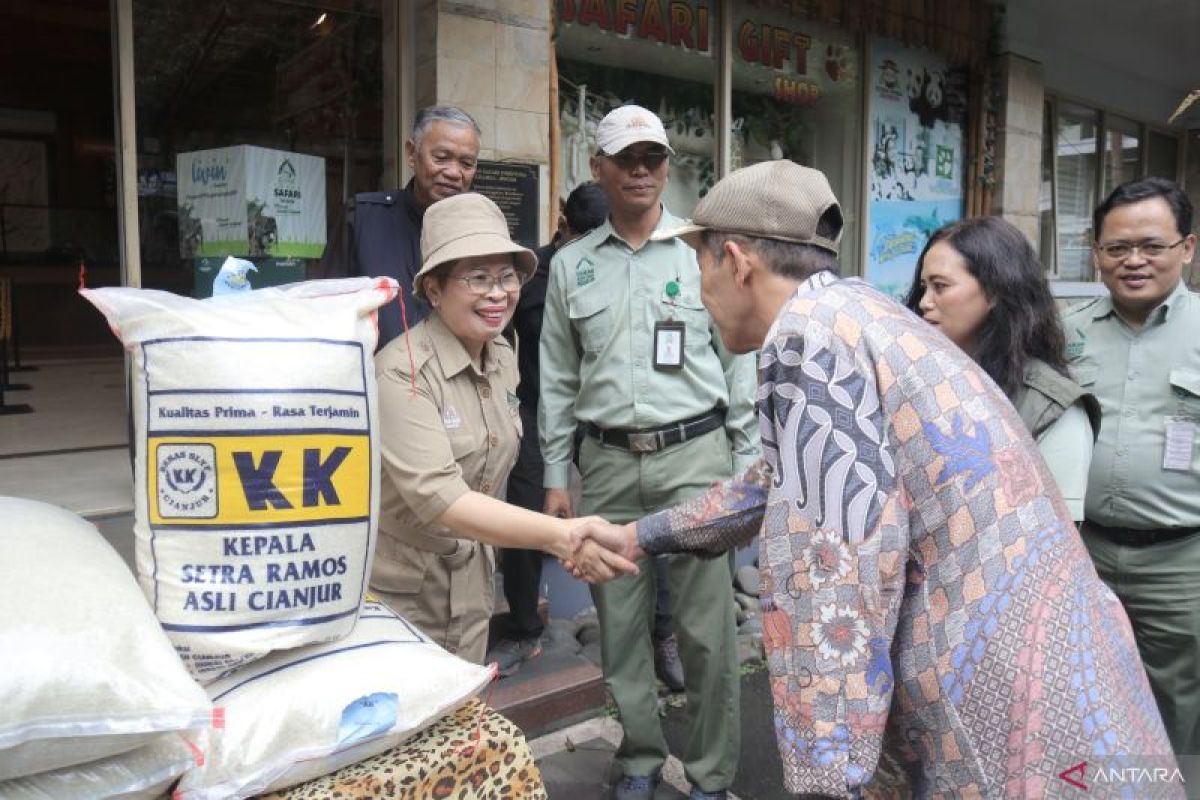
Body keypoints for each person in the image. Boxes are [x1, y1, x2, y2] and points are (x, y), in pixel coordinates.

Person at [572, 160, 1179, 797]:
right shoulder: (852, 310)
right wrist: (642, 535)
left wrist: (828, 780)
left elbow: (834, 578)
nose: (698, 291)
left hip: (1000, 702)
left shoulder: (809, 341)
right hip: (1064, 678)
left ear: (735, 260)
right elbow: (775, 483)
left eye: (698, 266)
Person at [539, 105, 760, 800]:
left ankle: (711, 775)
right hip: (605, 462)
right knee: (621, 626)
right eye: (625, 158)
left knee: (705, 632)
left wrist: (748, 462)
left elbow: (739, 364)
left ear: (667, 167)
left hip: (696, 458)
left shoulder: (707, 254)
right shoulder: (572, 266)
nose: (640, 170)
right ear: (597, 169)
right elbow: (556, 376)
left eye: (653, 158)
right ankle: (637, 756)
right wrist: (554, 473)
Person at [369, 192, 635, 664]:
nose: (498, 293)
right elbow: (441, 497)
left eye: (507, 276)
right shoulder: (400, 373)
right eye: (477, 277)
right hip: (407, 599)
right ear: (433, 289)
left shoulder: (502, 358)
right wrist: (563, 536)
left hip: (473, 588)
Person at [1064, 177, 1200, 761]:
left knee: (1177, 706)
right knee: (1081, 696)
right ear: (1096, 254)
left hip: (1181, 566)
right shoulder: (1066, 333)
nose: (1134, 260)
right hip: (1082, 553)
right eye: (1117, 248)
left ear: (1187, 248)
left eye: (1152, 245)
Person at [486, 181, 610, 677]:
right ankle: (522, 627)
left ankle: (650, 628)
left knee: (620, 507)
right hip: (539, 408)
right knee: (525, 512)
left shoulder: (614, 269)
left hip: (602, 411)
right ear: (565, 227)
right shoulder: (530, 274)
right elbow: (497, 337)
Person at [903, 216, 1100, 521]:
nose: (925, 302)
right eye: (923, 287)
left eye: (940, 286)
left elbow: (1057, 540)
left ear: (995, 292)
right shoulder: (918, 378)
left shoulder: (1051, 407)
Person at [351, 105, 481, 348]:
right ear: (412, 153)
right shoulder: (362, 220)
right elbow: (326, 312)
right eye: (441, 158)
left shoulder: (480, 235)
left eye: (466, 163)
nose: (454, 173)